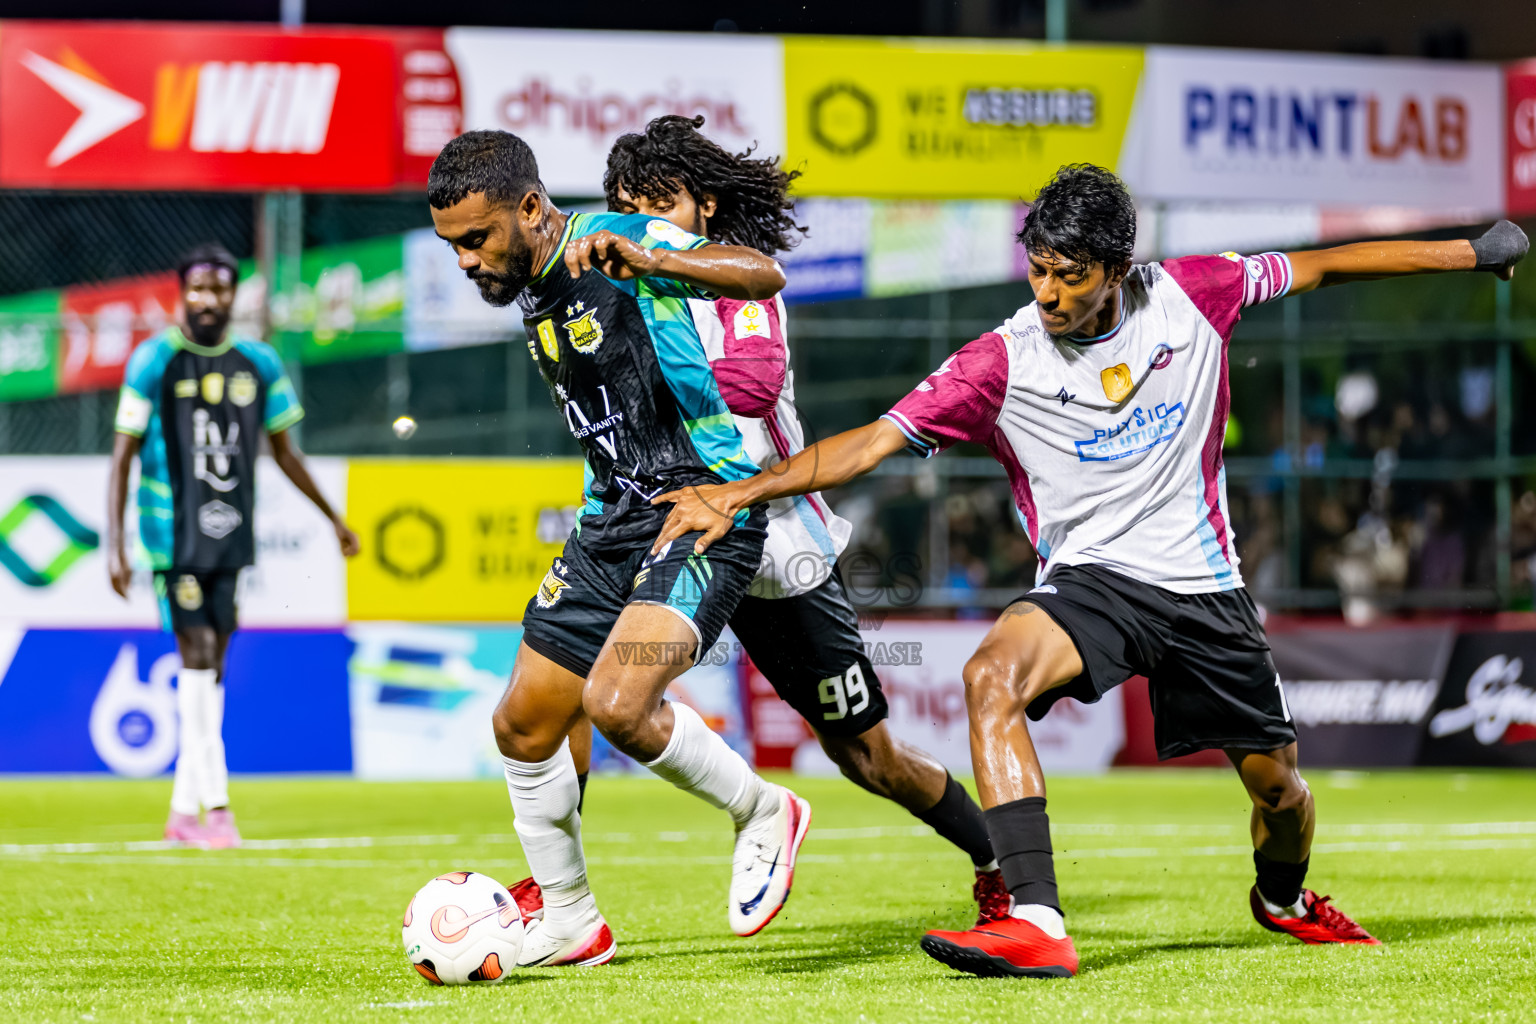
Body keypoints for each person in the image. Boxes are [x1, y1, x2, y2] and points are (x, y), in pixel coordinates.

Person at [650, 164, 1530, 978]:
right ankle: (1036, 918)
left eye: (1070, 275)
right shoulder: (1001, 360)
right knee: (990, 674)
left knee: (1281, 793)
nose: (1048, 293)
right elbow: (873, 443)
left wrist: (1471, 252)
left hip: (1205, 588)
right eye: (1037, 270)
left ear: (1118, 268)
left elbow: (1327, 267)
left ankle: (1283, 897)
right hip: (1093, 582)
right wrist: (743, 492)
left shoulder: (1194, 293)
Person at [564, 115, 1002, 913]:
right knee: (567, 680)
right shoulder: (616, 292)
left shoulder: (731, 283)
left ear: (703, 205)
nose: (645, 226)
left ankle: (995, 859)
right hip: (663, 523)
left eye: (661, 206)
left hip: (775, 546)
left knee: (869, 759)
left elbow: (751, 388)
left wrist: (652, 290)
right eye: (630, 211)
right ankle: (560, 897)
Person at [426, 129, 810, 968]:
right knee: (523, 724)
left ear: (531, 209)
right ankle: (569, 919)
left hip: (701, 508)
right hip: (610, 523)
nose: (465, 261)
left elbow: (761, 274)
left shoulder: (620, 239)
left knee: (619, 705)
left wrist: (653, 257)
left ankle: (762, 811)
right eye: (451, 245)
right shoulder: (528, 282)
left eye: (475, 239)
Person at [107, 243, 360, 849]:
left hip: (232, 535)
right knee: (194, 650)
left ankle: (179, 812)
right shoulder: (154, 361)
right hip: (171, 534)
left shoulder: (260, 364)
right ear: (181, 293)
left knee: (213, 665)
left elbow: (285, 452)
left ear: (233, 296)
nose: (208, 299)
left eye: (219, 288)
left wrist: (333, 518)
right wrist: (113, 544)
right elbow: (123, 454)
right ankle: (216, 806)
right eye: (197, 288)